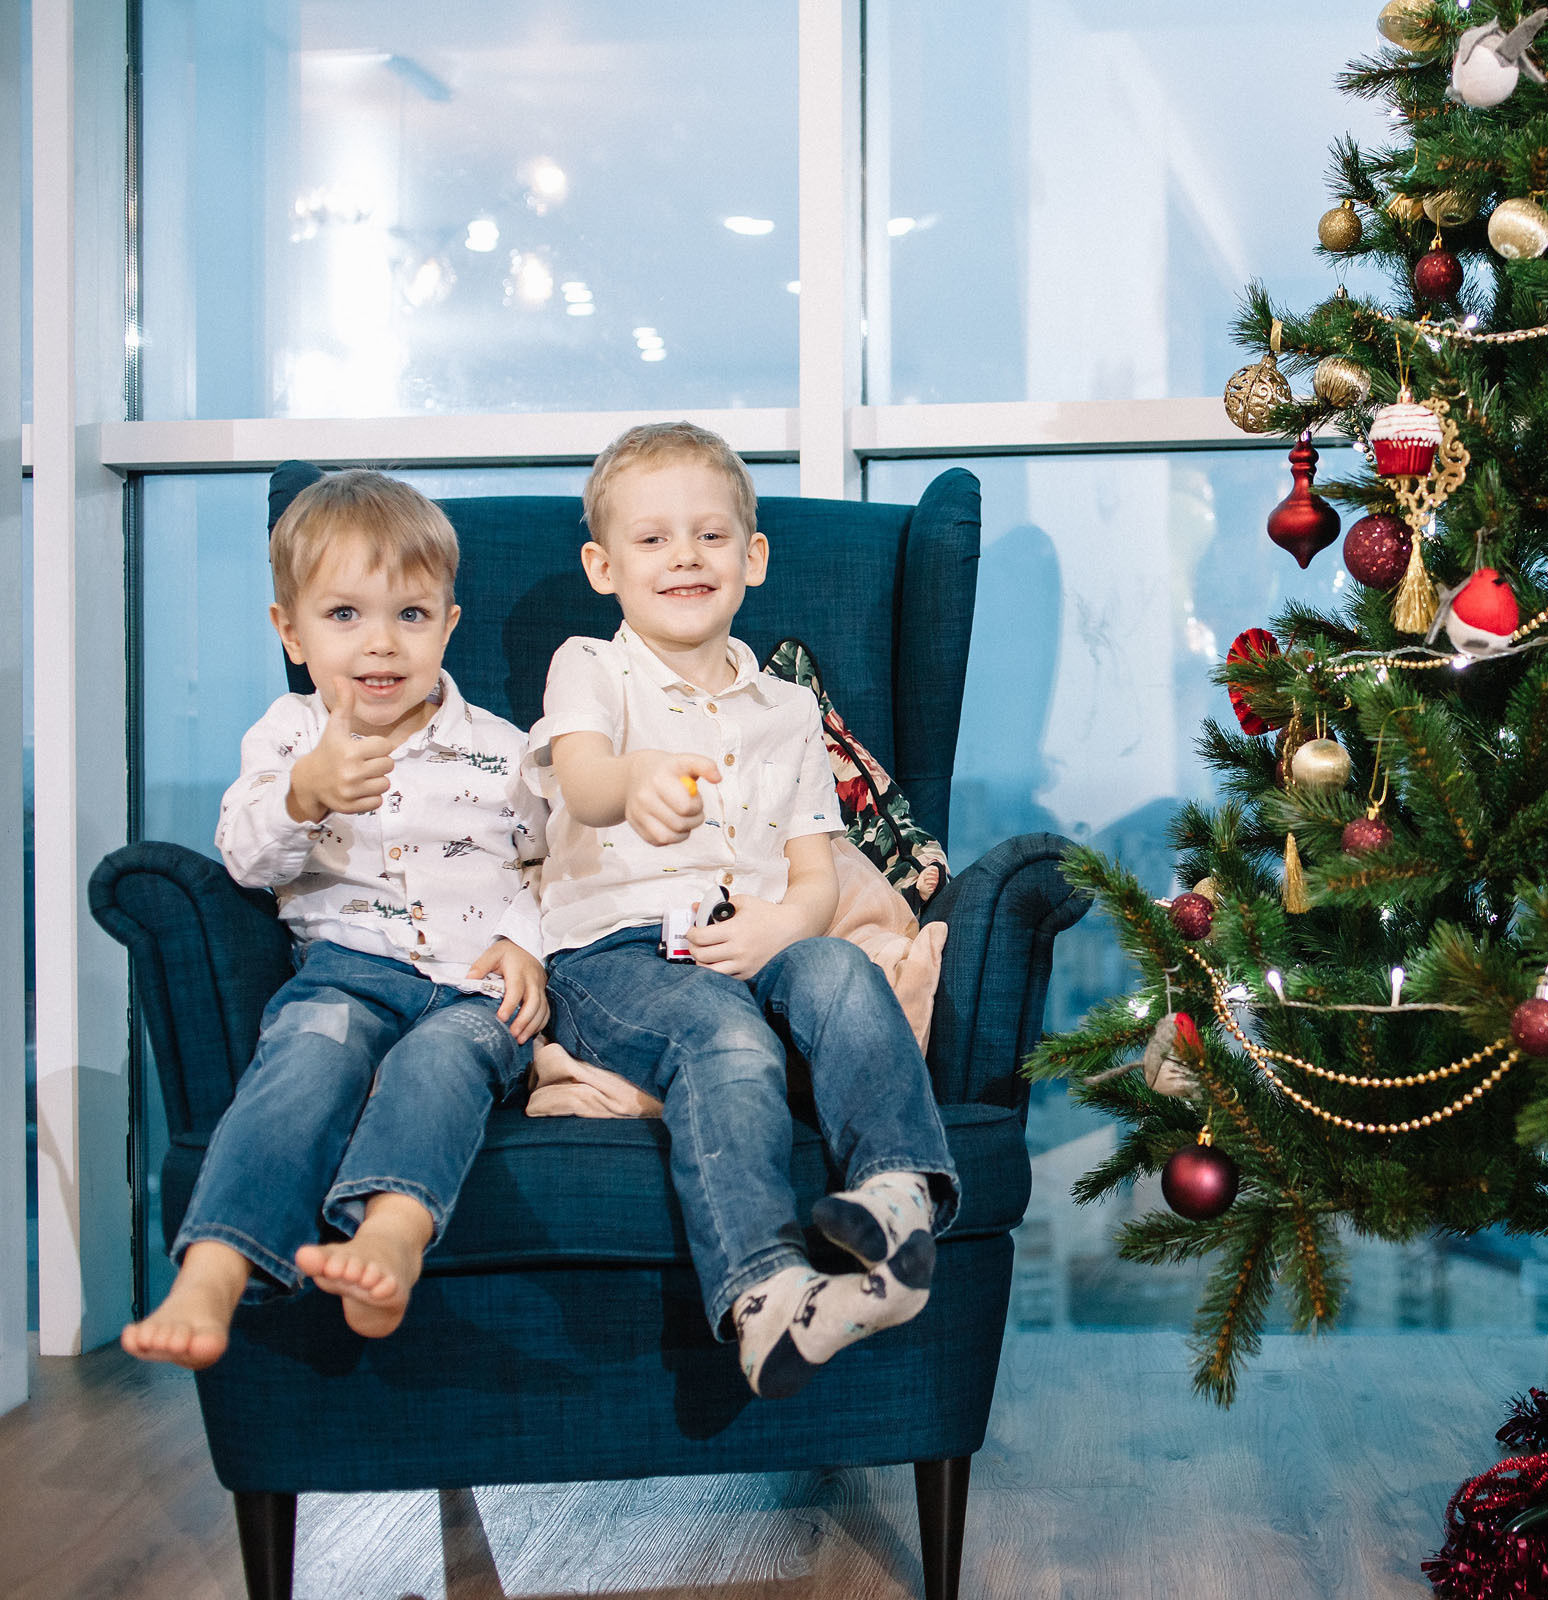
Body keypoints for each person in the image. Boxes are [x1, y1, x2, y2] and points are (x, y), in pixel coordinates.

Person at [530, 420, 956, 1398]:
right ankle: (767, 1293)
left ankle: (898, 1194)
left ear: (752, 556)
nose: (684, 555)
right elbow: (586, 782)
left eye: (710, 535)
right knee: (729, 1038)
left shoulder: (788, 710)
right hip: (616, 951)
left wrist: (787, 924)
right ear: (603, 566)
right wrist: (635, 783)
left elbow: (816, 871)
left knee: (845, 968)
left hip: (753, 932)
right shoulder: (591, 666)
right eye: (651, 539)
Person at [122, 471, 547, 1368]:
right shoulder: (285, 737)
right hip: (347, 970)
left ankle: (388, 1235)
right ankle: (214, 1269)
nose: (380, 645)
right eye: (345, 615)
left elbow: (557, 865)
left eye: (410, 615)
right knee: (307, 1058)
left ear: (448, 625)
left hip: (472, 991)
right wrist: (303, 794)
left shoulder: (503, 749)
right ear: (291, 630)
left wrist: (526, 939)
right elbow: (245, 853)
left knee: (444, 1064)